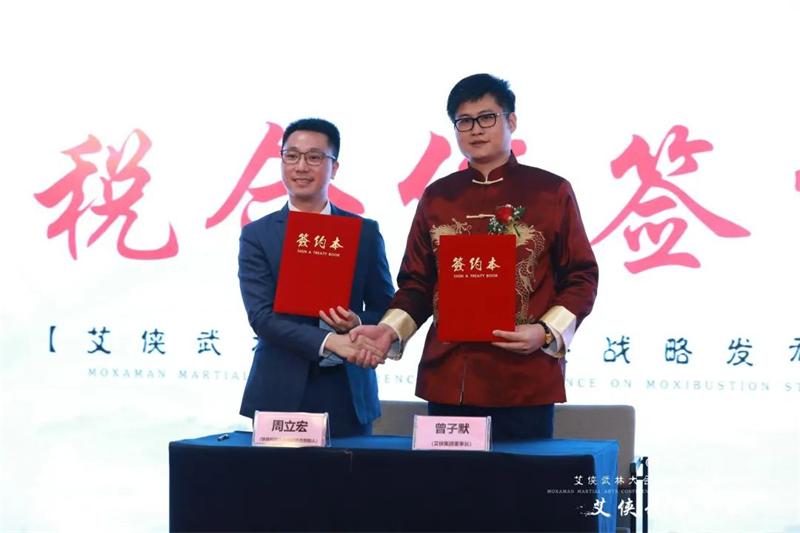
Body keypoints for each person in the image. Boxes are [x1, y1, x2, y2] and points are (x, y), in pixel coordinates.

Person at [350, 74, 598, 440]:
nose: (476, 129)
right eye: (464, 121)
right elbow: (418, 283)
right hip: (450, 376)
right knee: (451, 478)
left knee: (523, 478)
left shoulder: (551, 192)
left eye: (487, 117)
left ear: (511, 121)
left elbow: (581, 275)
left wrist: (545, 331)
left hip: (524, 378)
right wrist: (389, 330)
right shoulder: (438, 197)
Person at [238, 118, 394, 437]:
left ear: (334, 168)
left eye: (314, 157)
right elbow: (262, 317)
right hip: (279, 389)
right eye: (291, 156)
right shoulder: (258, 235)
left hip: (348, 389)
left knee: (352, 470)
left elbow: (385, 308)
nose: (301, 167)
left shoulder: (363, 232)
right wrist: (330, 342)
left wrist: (356, 321)